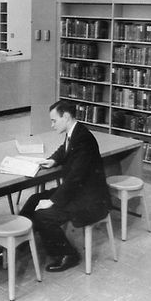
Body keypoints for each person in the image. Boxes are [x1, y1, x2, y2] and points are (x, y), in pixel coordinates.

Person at [18, 100, 112, 272]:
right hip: (80, 192)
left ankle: (68, 255)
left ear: (66, 117)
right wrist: (52, 160)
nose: (51, 125)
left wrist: (52, 201)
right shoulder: (75, 132)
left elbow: (75, 178)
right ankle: (20, 242)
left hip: (90, 200)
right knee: (34, 199)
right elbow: (65, 149)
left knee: (43, 214)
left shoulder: (83, 139)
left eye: (54, 120)